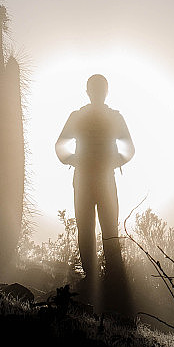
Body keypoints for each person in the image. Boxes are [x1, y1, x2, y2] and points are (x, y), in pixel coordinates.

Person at [55, 74, 135, 305]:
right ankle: (102, 284)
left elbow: (129, 148)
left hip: (94, 180)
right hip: (91, 180)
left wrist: (79, 161)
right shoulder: (93, 117)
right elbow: (60, 146)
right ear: (89, 91)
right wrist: (78, 161)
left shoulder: (93, 117)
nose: (97, 93)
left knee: (102, 232)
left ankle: (108, 284)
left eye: (99, 89)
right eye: (95, 89)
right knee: (93, 231)